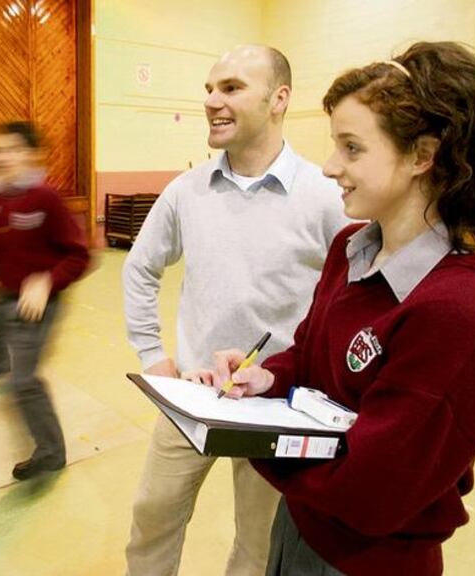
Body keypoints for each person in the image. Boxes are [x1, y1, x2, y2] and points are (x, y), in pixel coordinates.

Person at [197, 41, 475, 575]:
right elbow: (311, 354)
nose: (331, 166)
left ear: (421, 156)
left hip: (369, 558)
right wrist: (265, 380)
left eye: (352, 148)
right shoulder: (349, 249)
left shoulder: (450, 309)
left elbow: (371, 491)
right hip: (301, 521)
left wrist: (247, 436)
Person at [122, 45, 350, 576]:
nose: (211, 100)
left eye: (231, 88)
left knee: (257, 540)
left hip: (276, 404)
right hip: (193, 395)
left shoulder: (324, 196)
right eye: (209, 88)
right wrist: (155, 356)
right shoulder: (187, 191)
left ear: (279, 99)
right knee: (152, 514)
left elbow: (357, 294)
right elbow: (139, 268)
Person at [0, 122, 90, 480]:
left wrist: (46, 281)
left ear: (30, 154)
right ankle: (46, 444)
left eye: (9, 149)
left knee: (24, 380)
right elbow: (5, 247)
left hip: (41, 306)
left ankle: (51, 453)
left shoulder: (45, 198)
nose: (0, 157)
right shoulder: (2, 198)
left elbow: (80, 256)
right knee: (18, 381)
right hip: (9, 301)